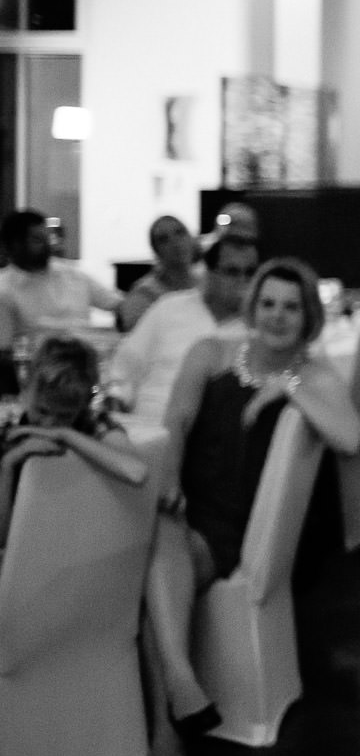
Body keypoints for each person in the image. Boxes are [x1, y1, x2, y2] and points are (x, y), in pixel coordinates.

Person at [143, 256, 360, 739]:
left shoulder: (316, 377)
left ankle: (162, 729)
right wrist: (171, 479)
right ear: (252, 308)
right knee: (157, 530)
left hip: (232, 529)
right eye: (267, 304)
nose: (277, 316)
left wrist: (289, 387)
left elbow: (350, 438)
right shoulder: (210, 353)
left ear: (309, 317)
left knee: (150, 562)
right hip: (185, 504)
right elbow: (175, 421)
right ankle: (180, 691)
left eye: (291, 307)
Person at [0, 334, 148, 564]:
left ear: (84, 405)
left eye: (63, 415)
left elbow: (135, 471)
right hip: (25, 559)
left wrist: (65, 434)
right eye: (42, 411)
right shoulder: (9, 431)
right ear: (26, 389)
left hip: (81, 552)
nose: (48, 423)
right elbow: (3, 541)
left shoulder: (93, 425)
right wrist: (8, 466)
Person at [106, 233, 260, 426]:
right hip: (145, 426)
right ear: (210, 273)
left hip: (215, 438)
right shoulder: (169, 308)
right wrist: (114, 414)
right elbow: (123, 373)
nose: (243, 280)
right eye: (232, 271)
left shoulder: (260, 328)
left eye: (250, 272)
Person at [0, 208, 123, 365]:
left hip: (89, 362)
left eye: (47, 238)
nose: (47, 245)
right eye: (38, 240)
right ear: (16, 244)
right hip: (43, 372)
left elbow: (118, 304)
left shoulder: (71, 275)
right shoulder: (4, 289)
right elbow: (5, 354)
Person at [117, 214, 202, 332]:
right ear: (156, 251)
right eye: (164, 239)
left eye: (180, 233)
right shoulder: (143, 296)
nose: (176, 243)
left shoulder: (208, 284)